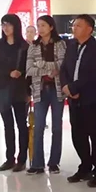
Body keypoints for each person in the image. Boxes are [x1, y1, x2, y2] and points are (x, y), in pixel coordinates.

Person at [60, 14, 96, 187]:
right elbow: (64, 69)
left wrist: (75, 88)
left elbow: (94, 75)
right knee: (77, 134)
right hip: (73, 99)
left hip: (90, 98)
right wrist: (66, 87)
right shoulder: (71, 46)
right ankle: (85, 166)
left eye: (79, 25)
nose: (74, 28)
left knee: (94, 134)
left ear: (89, 29)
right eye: (74, 25)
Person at [25, 15, 67, 174]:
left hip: (57, 90)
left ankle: (54, 162)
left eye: (43, 25)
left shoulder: (60, 44)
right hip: (39, 90)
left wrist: (41, 65)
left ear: (51, 27)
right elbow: (29, 69)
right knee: (38, 127)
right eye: (38, 25)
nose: (40, 29)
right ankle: (37, 163)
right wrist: (48, 69)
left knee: (57, 127)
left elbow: (62, 65)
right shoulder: (33, 46)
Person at [0, 14, 31, 173]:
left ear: (16, 26)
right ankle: (9, 158)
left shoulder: (24, 46)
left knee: (21, 125)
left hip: (20, 90)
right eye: (3, 24)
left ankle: (22, 159)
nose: (5, 28)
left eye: (8, 24)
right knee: (7, 125)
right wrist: (8, 72)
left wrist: (28, 88)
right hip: (3, 89)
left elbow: (29, 69)